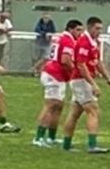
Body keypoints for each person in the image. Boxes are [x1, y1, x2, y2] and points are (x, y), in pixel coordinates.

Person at [61, 16, 110, 154]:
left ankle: (66, 145)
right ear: (90, 27)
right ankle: (92, 146)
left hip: (80, 80)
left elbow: (97, 62)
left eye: (100, 29)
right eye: (97, 28)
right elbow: (80, 65)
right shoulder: (84, 42)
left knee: (74, 113)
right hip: (81, 80)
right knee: (93, 110)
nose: (99, 31)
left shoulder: (93, 42)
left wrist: (107, 78)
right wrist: (93, 84)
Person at [33, 19, 83, 147]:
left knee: (58, 106)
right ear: (70, 29)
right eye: (77, 30)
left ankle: (51, 137)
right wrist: (76, 71)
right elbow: (65, 60)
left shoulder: (60, 37)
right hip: (54, 75)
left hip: (55, 74)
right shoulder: (68, 40)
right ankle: (38, 138)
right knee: (51, 105)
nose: (80, 33)